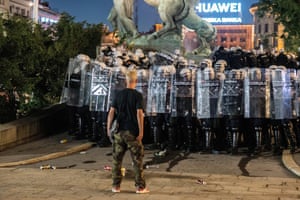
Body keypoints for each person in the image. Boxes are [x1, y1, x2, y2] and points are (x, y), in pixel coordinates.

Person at [106, 68, 149, 194]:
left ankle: (116, 186)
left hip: (119, 132)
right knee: (137, 160)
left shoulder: (118, 95)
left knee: (116, 160)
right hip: (132, 133)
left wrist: (108, 129)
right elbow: (139, 114)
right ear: (135, 80)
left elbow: (111, 113)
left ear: (126, 80)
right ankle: (140, 187)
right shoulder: (137, 95)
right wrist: (141, 131)